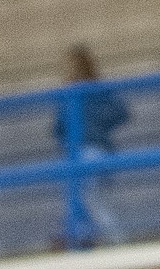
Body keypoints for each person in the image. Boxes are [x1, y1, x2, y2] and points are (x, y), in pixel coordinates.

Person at [54, 47, 129, 247]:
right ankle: (83, 240)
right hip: (95, 152)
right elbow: (121, 112)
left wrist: (92, 127)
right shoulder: (94, 90)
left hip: (87, 153)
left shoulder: (73, 93)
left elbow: (59, 128)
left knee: (87, 201)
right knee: (86, 200)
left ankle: (114, 242)